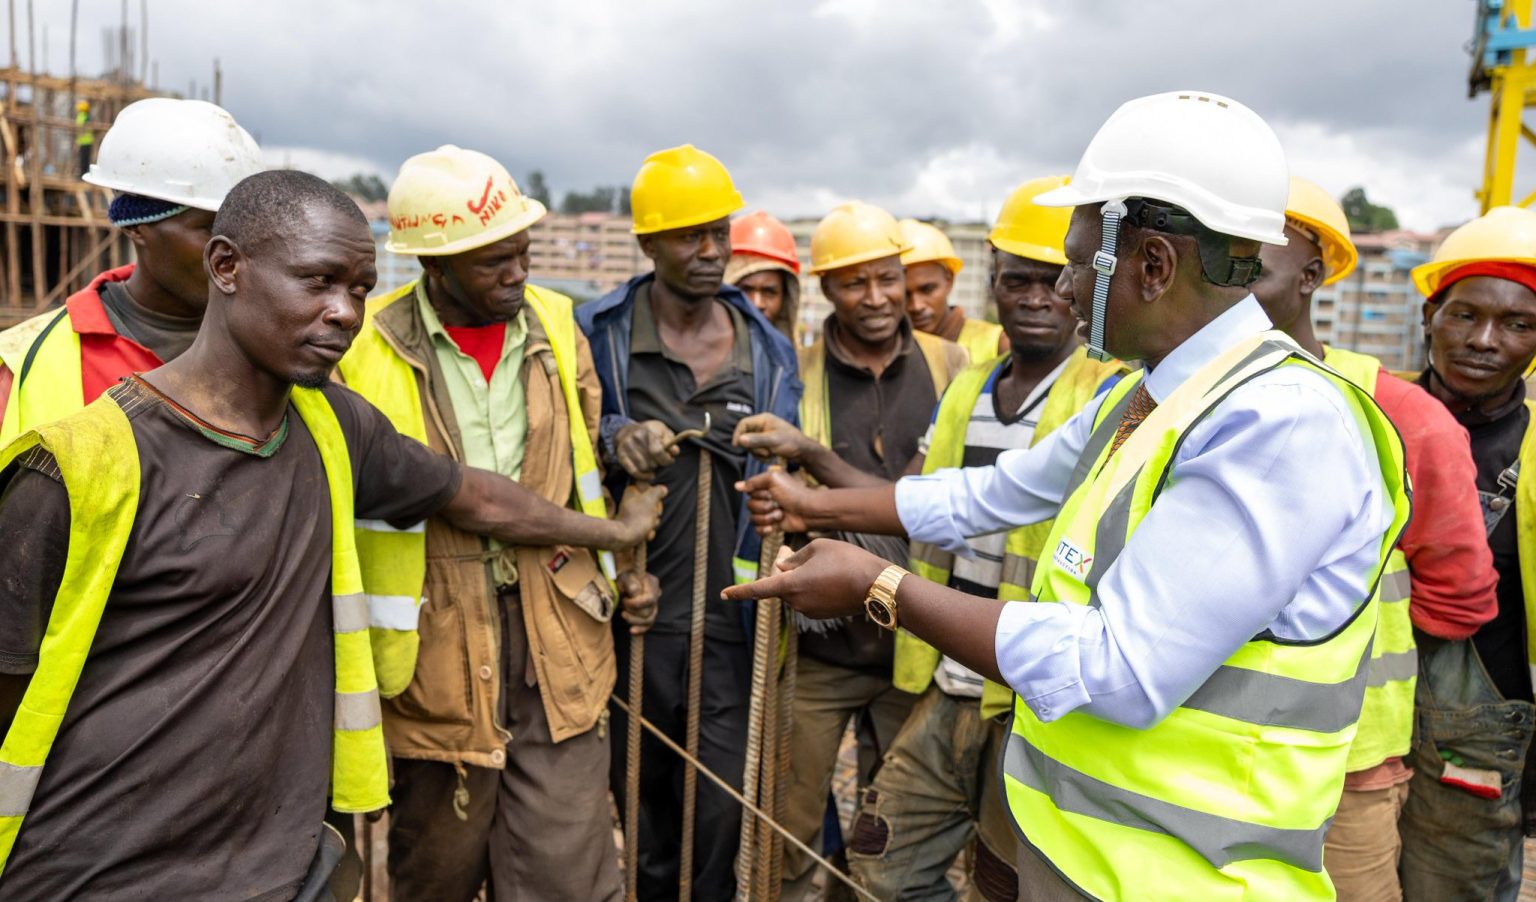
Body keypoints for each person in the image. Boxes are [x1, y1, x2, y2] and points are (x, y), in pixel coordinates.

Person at [726, 91, 1410, 900]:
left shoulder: (1280, 423)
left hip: (1188, 878)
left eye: (1079, 260)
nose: (1062, 282)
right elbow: (993, 493)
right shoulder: (1149, 396)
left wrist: (881, 586)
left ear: (1152, 265)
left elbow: (1119, 667)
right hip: (1095, 856)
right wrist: (815, 507)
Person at [0, 171, 663, 899]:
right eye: (317, 281)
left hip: (275, 863)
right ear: (226, 266)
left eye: (360, 288)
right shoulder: (76, 465)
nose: (345, 312)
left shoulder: (334, 429)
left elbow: (472, 495)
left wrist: (613, 530)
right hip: (101, 868)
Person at [739, 175, 1123, 899]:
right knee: (880, 859)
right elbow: (940, 500)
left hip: (1025, 687)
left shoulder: (1104, 393)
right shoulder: (966, 386)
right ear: (993, 282)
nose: (1037, 298)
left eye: (1053, 279)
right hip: (941, 669)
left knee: (1005, 876)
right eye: (1017, 280)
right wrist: (806, 499)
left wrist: (822, 507)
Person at [337, 146, 657, 901]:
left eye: (523, 252)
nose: (517, 273)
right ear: (435, 266)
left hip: (559, 633)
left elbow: (583, 458)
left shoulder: (556, 323)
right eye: (493, 262)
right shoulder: (364, 346)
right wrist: (617, 536)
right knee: (437, 868)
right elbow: (446, 499)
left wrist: (623, 572)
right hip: (432, 649)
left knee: (568, 870)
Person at [1248, 177, 1496, 901]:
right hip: (1195, 745)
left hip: (1343, 762)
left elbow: (1457, 599)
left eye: (1251, 265)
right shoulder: (1162, 398)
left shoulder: (1401, 415)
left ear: (1311, 275)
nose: (1227, 285)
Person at [577, 144, 802, 901]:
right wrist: (616, 436)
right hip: (632, 617)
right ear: (649, 243)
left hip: (730, 623)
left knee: (718, 819)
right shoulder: (600, 333)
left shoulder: (766, 350)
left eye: (718, 232)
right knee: (642, 809)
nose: (710, 251)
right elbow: (563, 436)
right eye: (688, 236)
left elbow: (788, 469)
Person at [733, 199, 967, 900]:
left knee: (889, 829)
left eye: (887, 278)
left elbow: (930, 504)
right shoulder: (796, 372)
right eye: (854, 282)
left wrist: (811, 465)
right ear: (826, 289)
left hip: (914, 644)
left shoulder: (952, 366)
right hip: (822, 649)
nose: (876, 297)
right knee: (790, 824)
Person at [1397, 205, 1536, 900]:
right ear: (1430, 317)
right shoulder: (1368, 416)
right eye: (1465, 315)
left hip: (1478, 740)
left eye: (1517, 324)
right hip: (1348, 723)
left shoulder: (1533, 451)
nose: (1485, 340)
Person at [0, 97, 265, 444]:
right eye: (210, 229)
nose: (235, 253)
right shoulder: (25, 362)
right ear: (137, 227)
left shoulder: (275, 345)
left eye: (248, 232)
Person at [901, 218, 1008, 362]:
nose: (916, 306)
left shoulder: (997, 344)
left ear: (949, 280)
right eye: (905, 294)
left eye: (927, 290)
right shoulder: (890, 350)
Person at [727, 209, 802, 342]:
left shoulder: (786, 354)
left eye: (769, 292)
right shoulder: (694, 349)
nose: (757, 303)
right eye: (745, 290)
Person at [75, 100, 92, 177]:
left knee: (83, 159)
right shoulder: (86, 116)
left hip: (83, 141)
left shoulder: (82, 117)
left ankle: (83, 174)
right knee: (85, 159)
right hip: (86, 141)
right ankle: (83, 174)